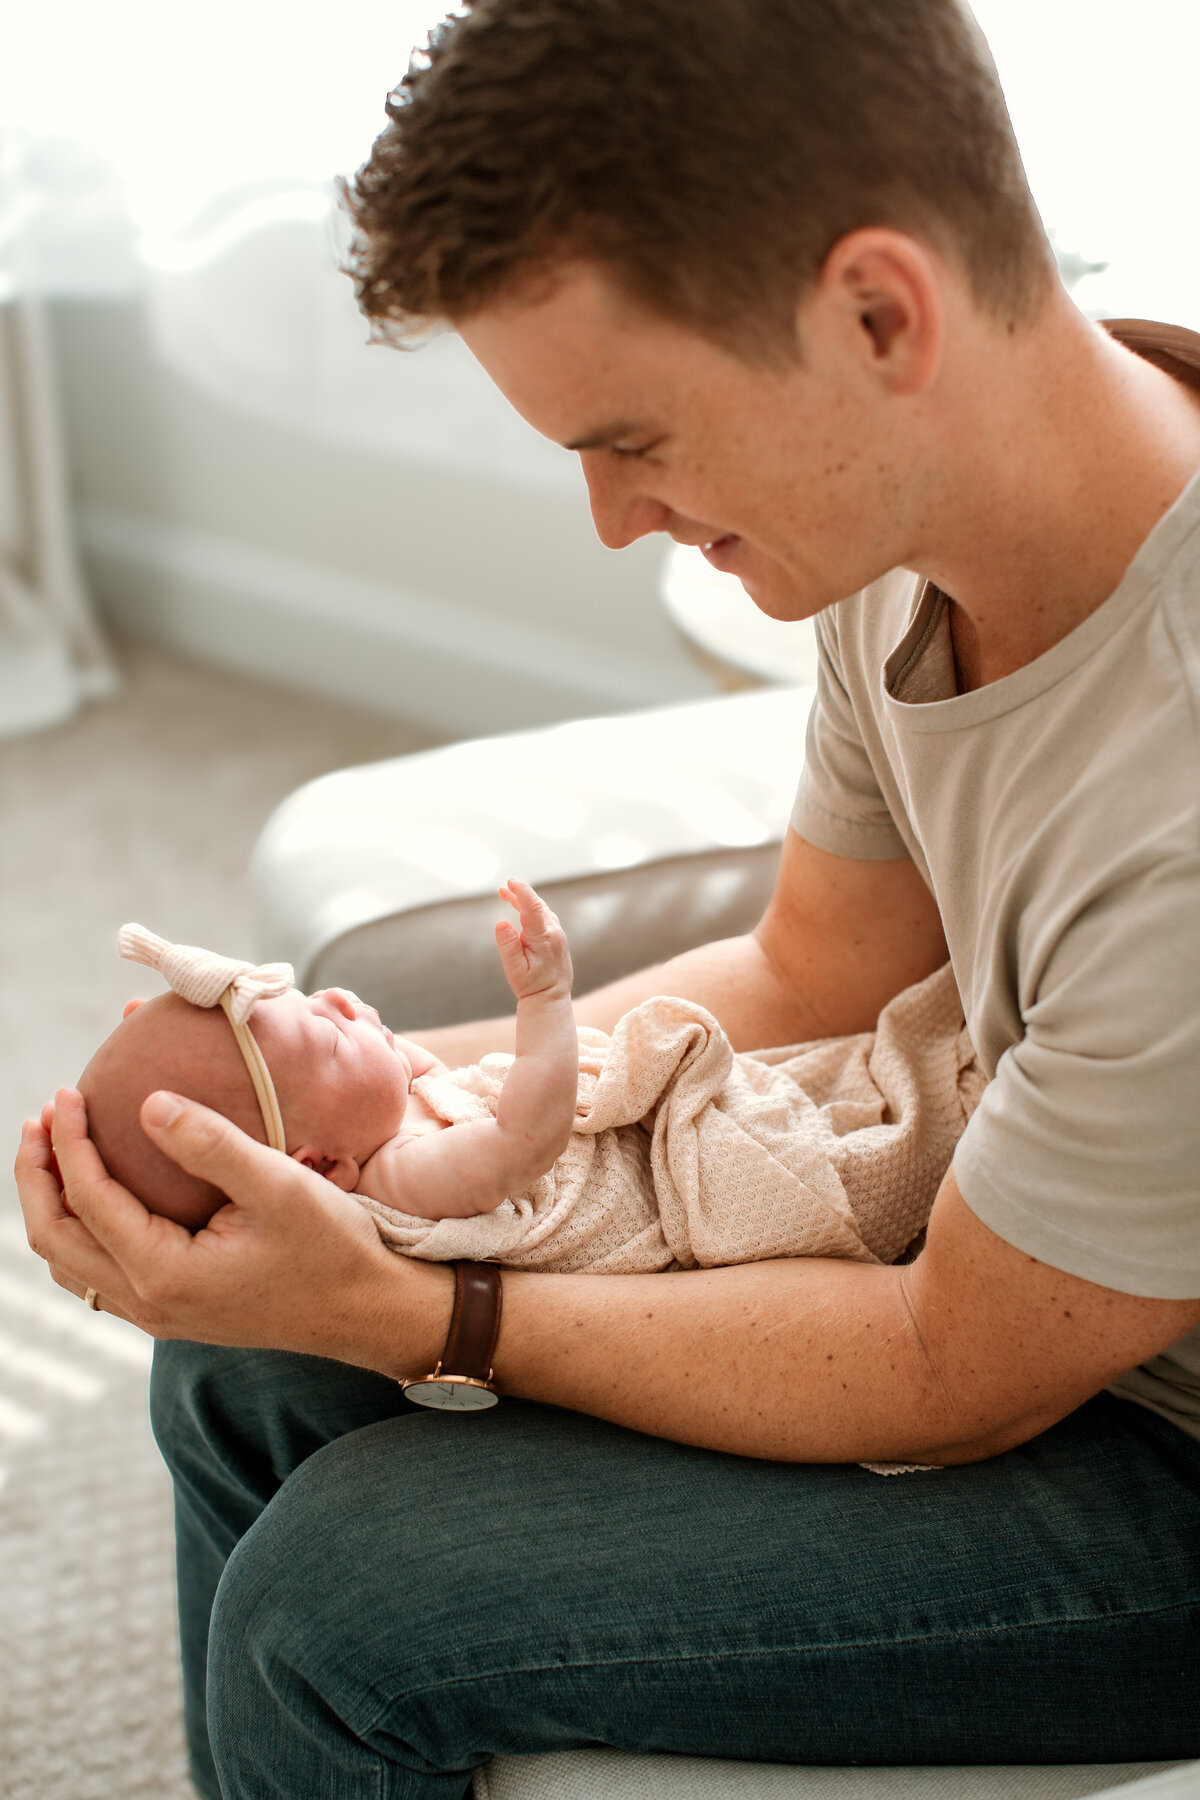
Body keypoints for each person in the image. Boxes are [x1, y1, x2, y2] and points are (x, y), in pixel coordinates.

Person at [15, 0, 1200, 1794]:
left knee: (334, 1611)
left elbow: (958, 1365)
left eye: (632, 436)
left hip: (1152, 1450)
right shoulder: (914, 545)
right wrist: (291, 1116)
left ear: (881, 316)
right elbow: (821, 962)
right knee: (236, 1368)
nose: (610, 519)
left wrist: (417, 1311)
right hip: (997, 1271)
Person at [79, 913, 982, 1281]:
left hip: (672, 1133)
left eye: (313, 997)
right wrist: (543, 1003)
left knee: (835, 1073)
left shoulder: (376, 1125)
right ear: (317, 1167)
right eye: (326, 1031)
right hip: (701, 1194)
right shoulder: (398, 1186)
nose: (342, 1000)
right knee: (867, 1141)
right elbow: (524, 1137)